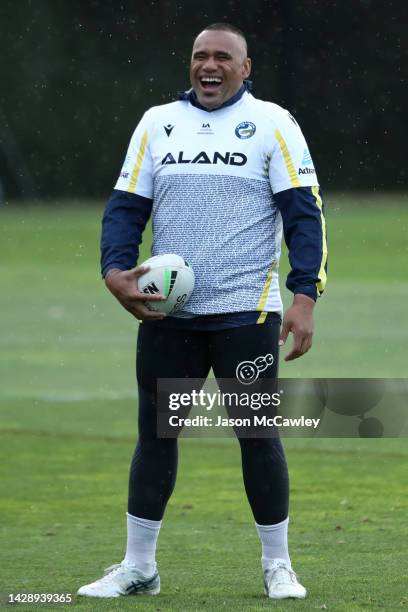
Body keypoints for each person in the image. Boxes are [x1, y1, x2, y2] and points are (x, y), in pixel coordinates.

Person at [78, 23, 327, 601]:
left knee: (257, 436)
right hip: (169, 314)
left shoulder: (273, 123)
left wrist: (304, 296)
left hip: (247, 312)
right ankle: (139, 567)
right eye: (199, 56)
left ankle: (278, 566)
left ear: (246, 68)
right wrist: (115, 270)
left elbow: (303, 214)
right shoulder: (157, 123)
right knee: (156, 436)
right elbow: (125, 207)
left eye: (222, 57)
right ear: (189, 65)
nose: (208, 65)